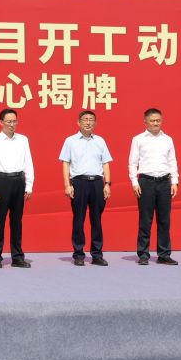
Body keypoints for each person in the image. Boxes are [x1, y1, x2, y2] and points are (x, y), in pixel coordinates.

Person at [59, 110, 113, 267]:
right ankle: (78, 254)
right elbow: (66, 163)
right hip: (79, 183)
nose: (88, 122)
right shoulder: (70, 141)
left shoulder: (100, 141)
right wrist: (67, 185)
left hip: (97, 183)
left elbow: (105, 163)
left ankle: (97, 254)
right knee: (79, 219)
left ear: (95, 123)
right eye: (85, 119)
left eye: (91, 120)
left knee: (97, 220)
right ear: (79, 122)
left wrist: (107, 184)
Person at [128, 108, 180, 265]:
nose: (156, 123)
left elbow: (172, 161)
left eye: (158, 120)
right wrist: (134, 182)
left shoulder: (168, 139)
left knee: (164, 220)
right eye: (152, 121)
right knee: (145, 219)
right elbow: (132, 162)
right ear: (145, 122)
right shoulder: (138, 139)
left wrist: (174, 181)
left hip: (164, 182)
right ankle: (143, 254)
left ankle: (164, 254)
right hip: (146, 182)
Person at [0, 108, 34, 269]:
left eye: (14, 121)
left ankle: (17, 257)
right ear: (1, 122)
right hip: (2, 181)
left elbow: (28, 162)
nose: (12, 124)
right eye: (8, 121)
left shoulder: (23, 140)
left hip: (19, 180)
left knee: (16, 221)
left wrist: (29, 184)